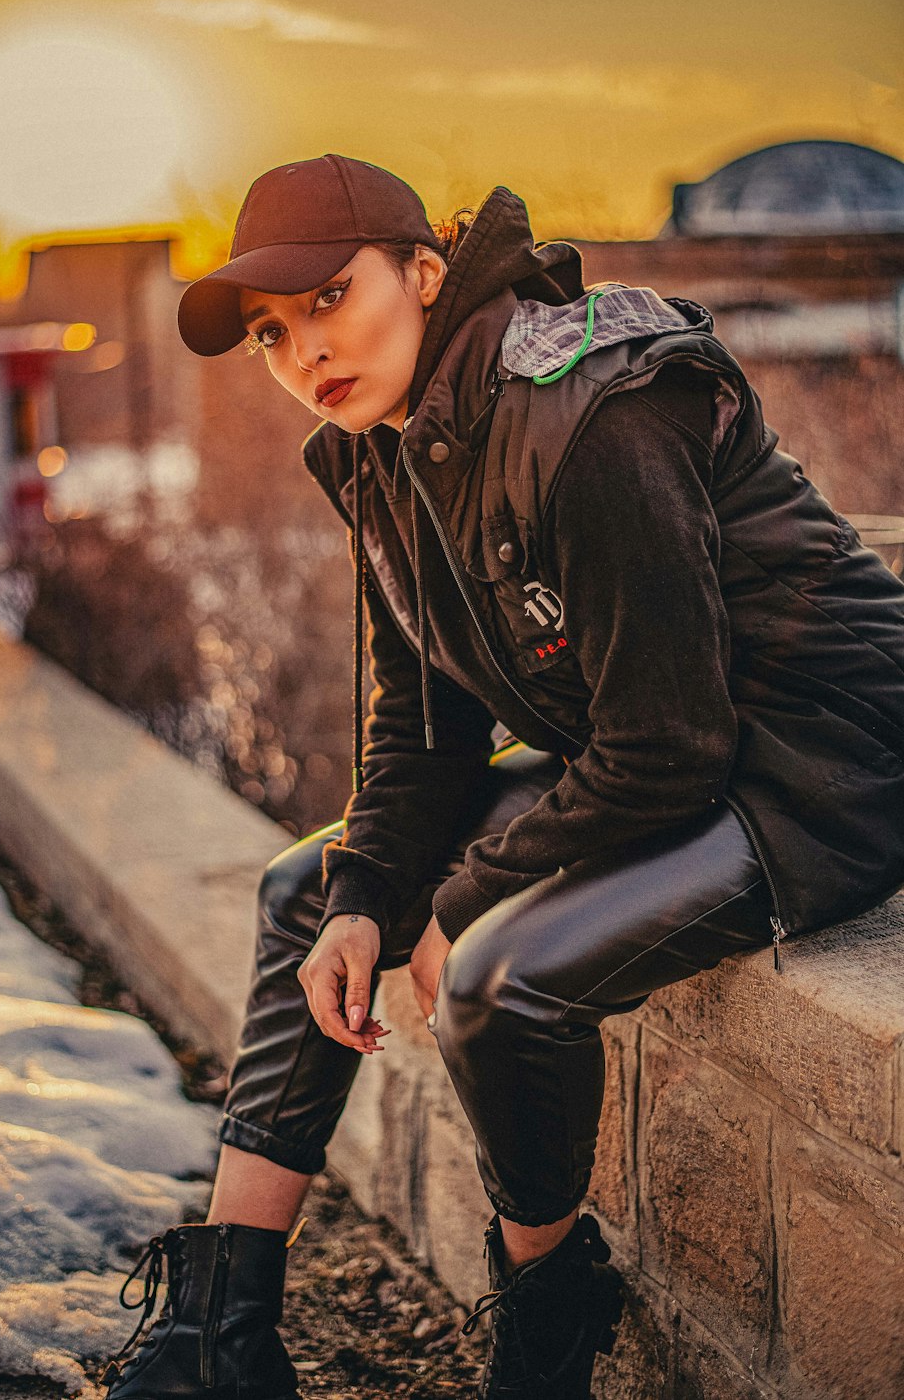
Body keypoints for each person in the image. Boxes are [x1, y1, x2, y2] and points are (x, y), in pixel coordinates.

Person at [100, 154, 904, 1400]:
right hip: (656, 747)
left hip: (818, 757)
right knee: (311, 897)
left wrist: (464, 893)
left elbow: (670, 748)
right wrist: (373, 890)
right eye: (270, 332)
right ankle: (221, 1331)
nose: (303, 350)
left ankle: (547, 1319)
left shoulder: (586, 410)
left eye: (328, 298)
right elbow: (423, 729)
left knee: (497, 977)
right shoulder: (377, 449)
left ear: (424, 273)